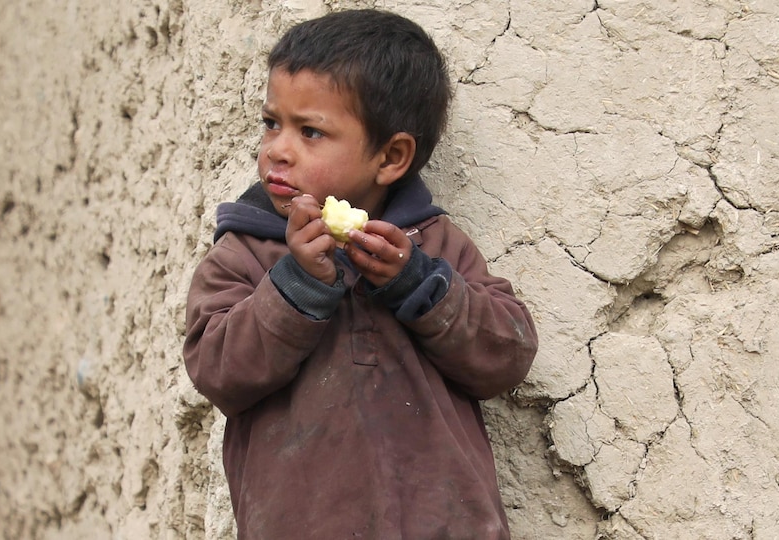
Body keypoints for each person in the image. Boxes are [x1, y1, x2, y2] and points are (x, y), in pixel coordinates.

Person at [183, 9, 538, 539]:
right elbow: (215, 368)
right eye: (271, 123)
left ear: (391, 157)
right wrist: (295, 285)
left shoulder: (432, 243)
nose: (278, 149)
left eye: (311, 131)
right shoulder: (246, 251)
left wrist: (419, 284)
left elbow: (506, 354)